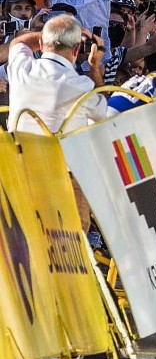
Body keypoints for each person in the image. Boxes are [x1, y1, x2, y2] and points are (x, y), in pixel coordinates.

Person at [7, 16, 107, 233]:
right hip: (63, 182)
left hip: (19, 175)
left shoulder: (21, 69)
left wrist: (46, 34)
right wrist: (94, 67)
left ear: (42, 44)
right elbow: (105, 114)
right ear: (77, 48)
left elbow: (18, 43)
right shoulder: (82, 85)